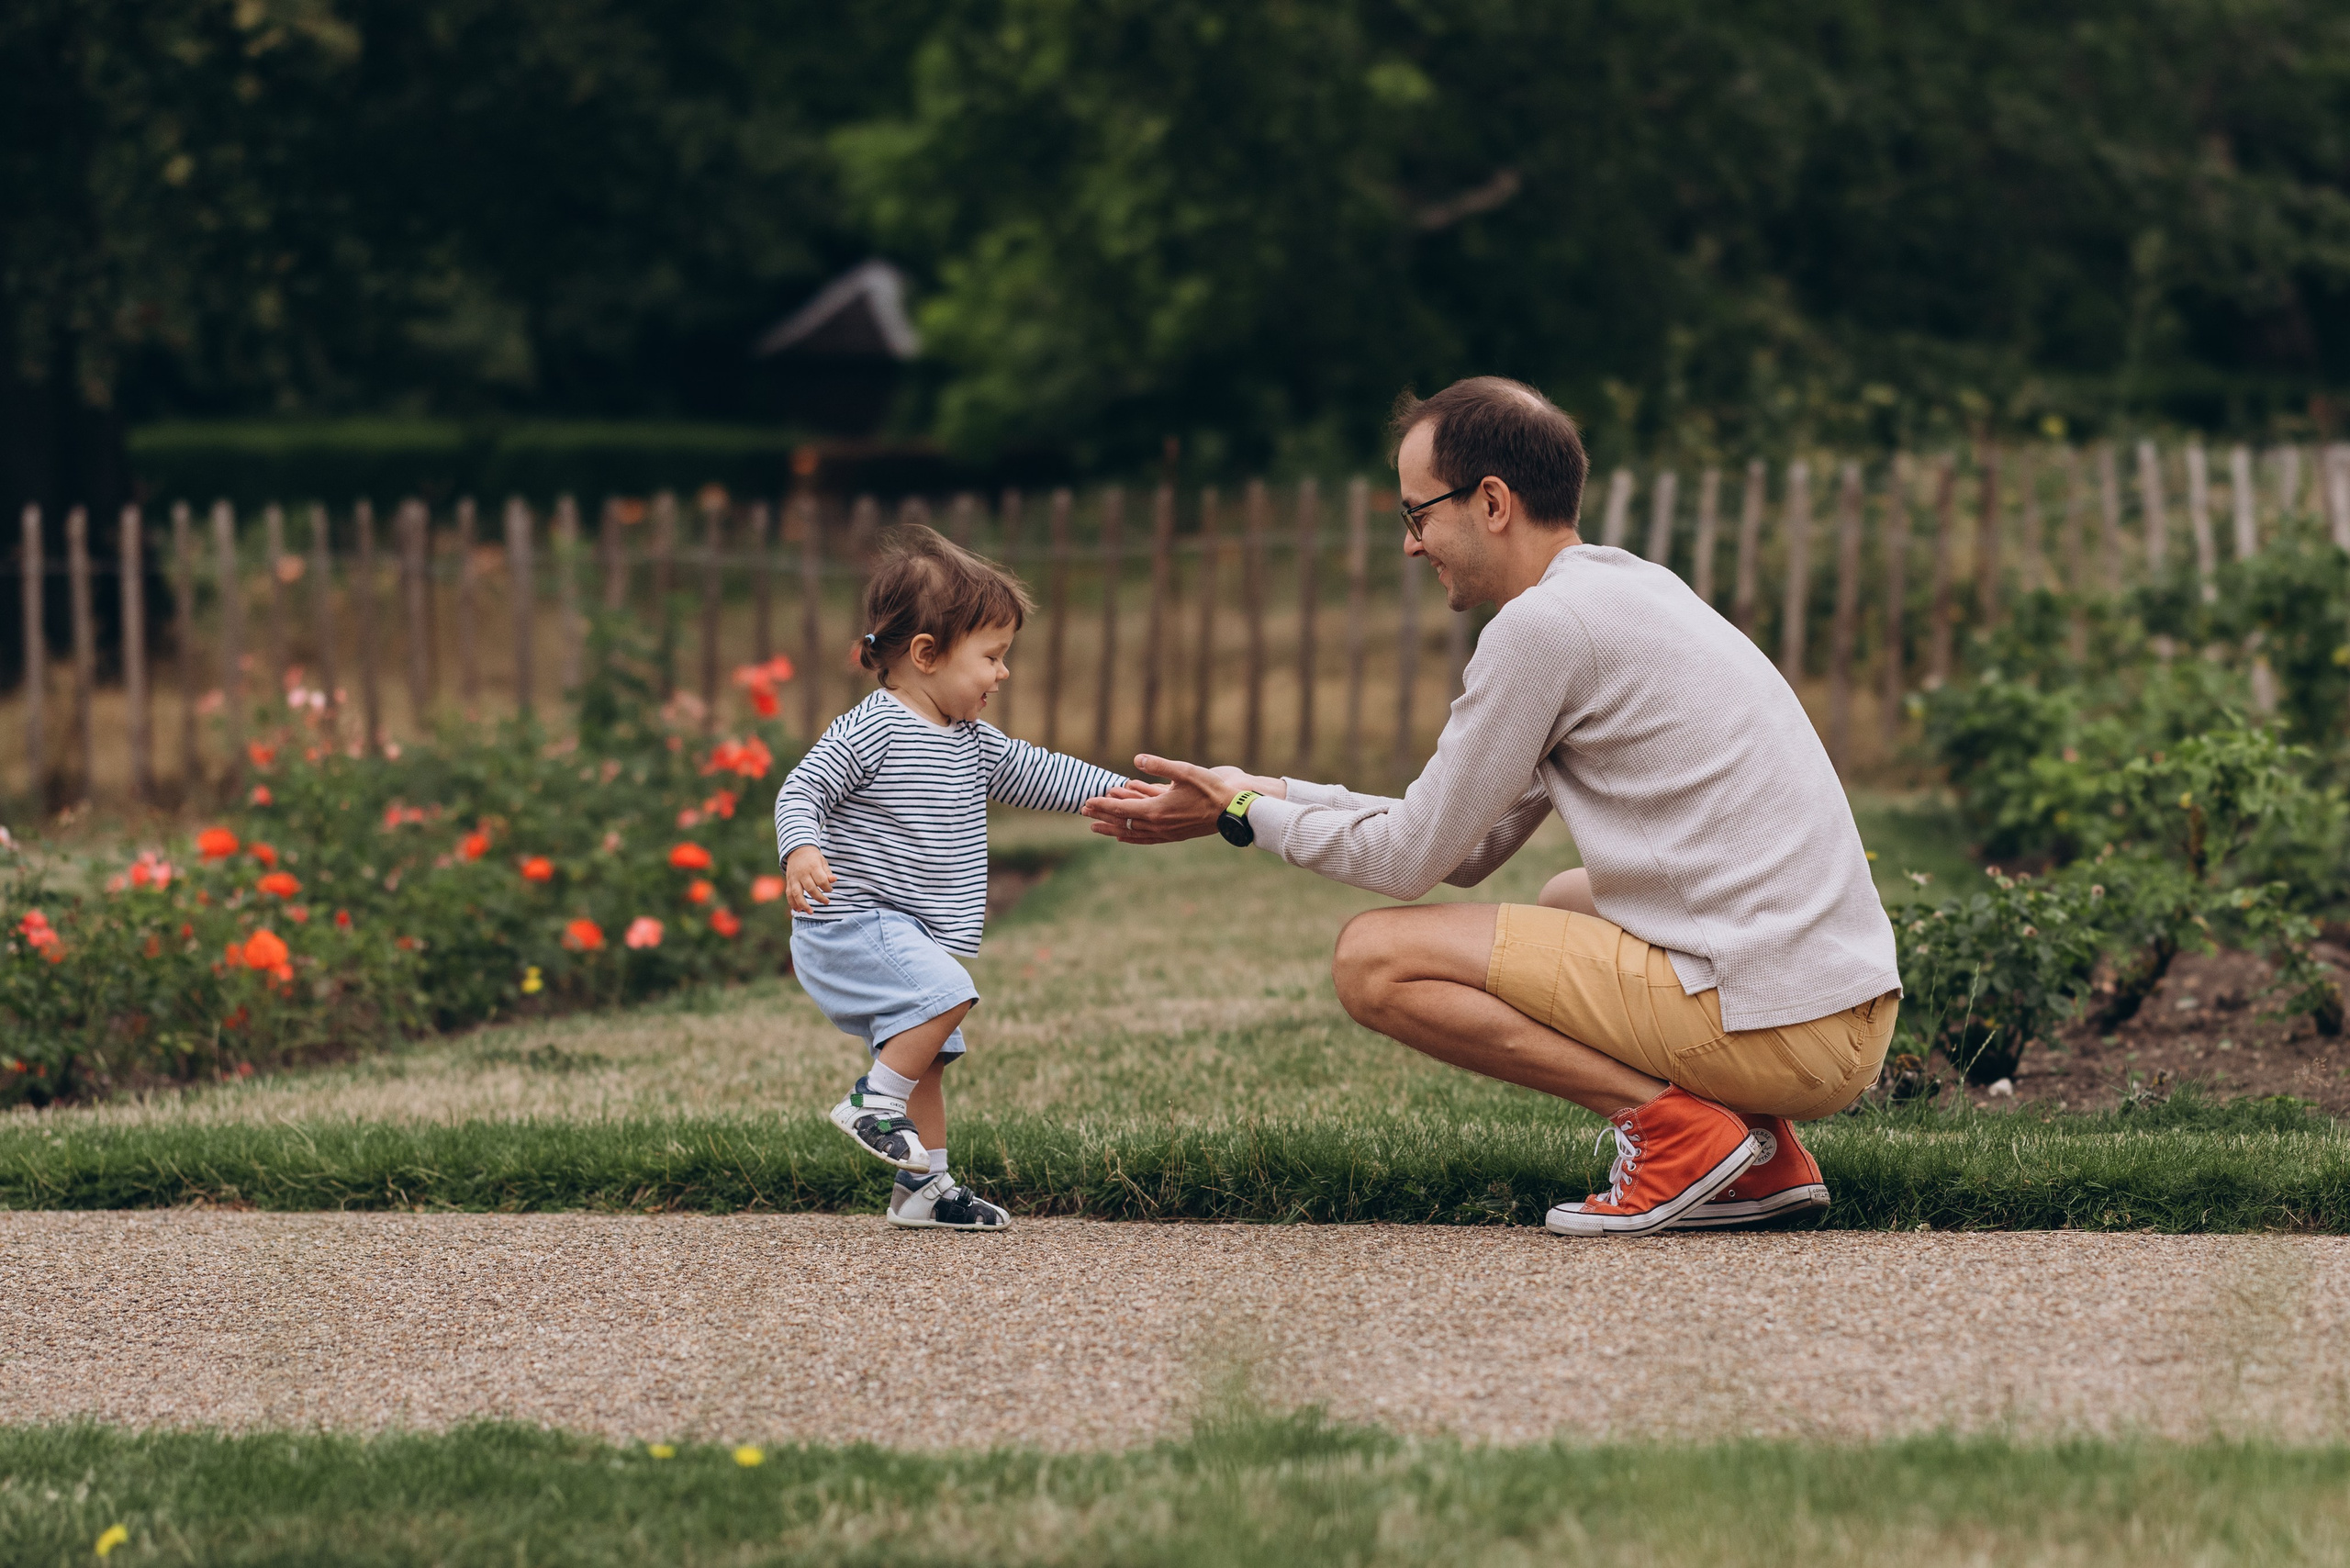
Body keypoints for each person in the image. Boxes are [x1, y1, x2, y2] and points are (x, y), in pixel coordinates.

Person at [1084, 377, 1900, 1238]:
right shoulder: (1627, 592)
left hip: (1784, 1026)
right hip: (1836, 1015)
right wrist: (1252, 792)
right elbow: (1464, 844)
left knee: (1374, 961)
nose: (1411, 545)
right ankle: (1763, 1156)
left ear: (1493, 502)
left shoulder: (1543, 629)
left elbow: (1410, 863)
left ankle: (1678, 1139)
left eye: (1416, 515)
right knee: (1565, 898)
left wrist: (1242, 814)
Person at [776, 525, 1128, 1231]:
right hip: (850, 919)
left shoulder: (968, 737)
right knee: (947, 996)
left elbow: (1042, 771)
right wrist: (801, 850)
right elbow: (800, 791)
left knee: (929, 1053)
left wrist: (1129, 796)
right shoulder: (870, 729)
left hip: (903, 928)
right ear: (927, 655)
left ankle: (922, 1191)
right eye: (992, 657)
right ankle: (872, 1104)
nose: (1003, 673)